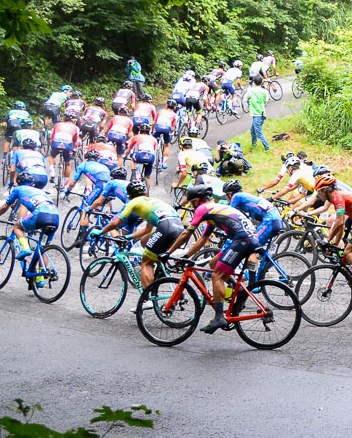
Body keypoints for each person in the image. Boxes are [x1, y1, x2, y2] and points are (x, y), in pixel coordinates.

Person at [169, 184, 258, 333]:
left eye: (192, 203)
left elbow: (186, 234)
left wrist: (168, 252)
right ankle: (239, 289)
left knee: (217, 275)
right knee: (213, 263)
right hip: (248, 238)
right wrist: (185, 256)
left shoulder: (203, 209)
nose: (192, 206)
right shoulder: (213, 211)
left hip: (242, 240)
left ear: (197, 200)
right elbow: (203, 239)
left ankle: (218, 317)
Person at [90, 180, 182, 289]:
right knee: (144, 240)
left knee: (145, 262)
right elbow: (147, 230)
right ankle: (159, 269)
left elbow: (116, 222)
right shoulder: (152, 201)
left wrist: (101, 232)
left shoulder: (133, 202)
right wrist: (128, 237)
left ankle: (147, 298)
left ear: (129, 195)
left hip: (165, 227)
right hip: (178, 227)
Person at [0, 171, 61, 257]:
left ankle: (25, 249)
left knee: (17, 226)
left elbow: (5, 206)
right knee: (43, 249)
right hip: (55, 217)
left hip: (40, 215)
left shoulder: (18, 189)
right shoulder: (41, 191)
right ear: (32, 184)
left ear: (19, 183)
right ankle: (41, 269)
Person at [245, 74, 271, 151]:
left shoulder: (251, 91)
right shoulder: (264, 91)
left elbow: (246, 97)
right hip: (262, 113)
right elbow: (266, 100)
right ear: (261, 82)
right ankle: (254, 145)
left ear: (253, 82)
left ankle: (267, 148)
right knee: (252, 131)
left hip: (257, 115)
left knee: (259, 133)